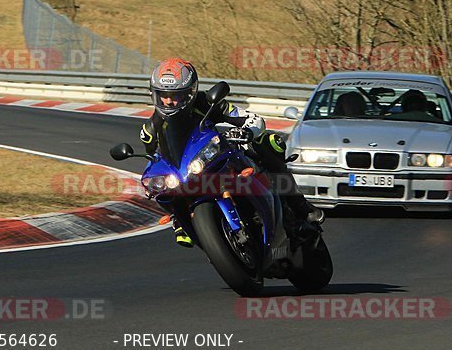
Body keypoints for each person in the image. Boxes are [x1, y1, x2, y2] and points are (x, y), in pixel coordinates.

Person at [139, 58, 324, 248]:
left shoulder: (208, 103)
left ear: (190, 92)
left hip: (219, 154)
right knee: (163, 184)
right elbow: (155, 160)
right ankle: (181, 221)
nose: (168, 101)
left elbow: (252, 119)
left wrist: (246, 131)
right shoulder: (150, 130)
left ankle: (300, 206)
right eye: (163, 94)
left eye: (175, 95)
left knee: (269, 143)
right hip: (189, 173)